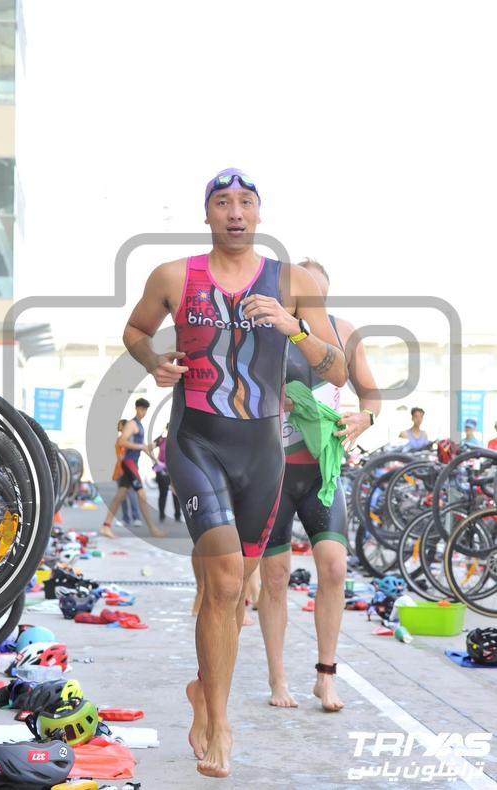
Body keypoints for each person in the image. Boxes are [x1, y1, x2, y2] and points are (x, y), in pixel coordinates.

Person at [122, 168, 347, 778]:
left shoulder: (293, 283)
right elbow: (135, 330)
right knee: (223, 585)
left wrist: (294, 327)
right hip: (197, 441)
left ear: (259, 213)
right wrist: (153, 360)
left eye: (246, 201)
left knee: (234, 587)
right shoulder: (174, 276)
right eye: (222, 202)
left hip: (262, 453)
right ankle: (219, 722)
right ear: (208, 215)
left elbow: (336, 370)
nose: (235, 212)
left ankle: (203, 690)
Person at [258, 258, 380, 712]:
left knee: (333, 568)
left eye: (316, 292)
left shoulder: (344, 333)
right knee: (275, 577)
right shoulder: (267, 333)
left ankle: (325, 676)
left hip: (322, 473)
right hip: (272, 473)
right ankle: (278, 678)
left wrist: (365, 418)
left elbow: (371, 394)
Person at [100, 398, 166, 539]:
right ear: (136, 408)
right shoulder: (132, 424)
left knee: (120, 496)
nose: (143, 412)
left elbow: (144, 447)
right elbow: (121, 441)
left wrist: (157, 460)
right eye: (141, 409)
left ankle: (105, 526)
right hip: (129, 463)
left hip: (132, 463)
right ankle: (153, 529)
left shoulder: (140, 426)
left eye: (145, 410)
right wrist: (141, 446)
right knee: (142, 496)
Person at [113, 418, 142, 527]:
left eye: (120, 425)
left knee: (130, 494)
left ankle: (136, 518)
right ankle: (126, 518)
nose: (118, 426)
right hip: (120, 470)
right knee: (123, 496)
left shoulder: (129, 440)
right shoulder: (120, 439)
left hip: (127, 469)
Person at [152, 424, 181, 521]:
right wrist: (156, 462)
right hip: (162, 471)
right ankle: (162, 515)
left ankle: (177, 515)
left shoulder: (178, 441)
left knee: (176, 494)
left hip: (174, 471)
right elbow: (149, 448)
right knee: (163, 493)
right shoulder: (161, 440)